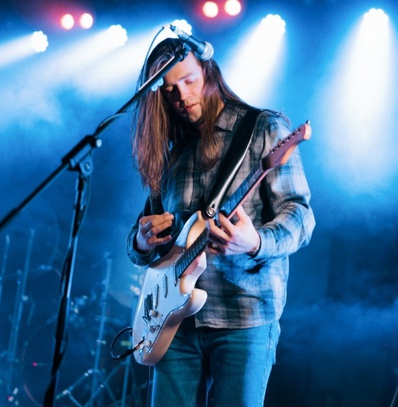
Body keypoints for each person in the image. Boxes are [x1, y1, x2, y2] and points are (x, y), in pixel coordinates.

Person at [125, 37, 315, 407]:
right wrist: (142, 241)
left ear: (208, 72)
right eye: (169, 89)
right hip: (174, 321)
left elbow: (301, 216)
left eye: (189, 80)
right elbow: (139, 237)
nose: (181, 96)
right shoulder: (174, 155)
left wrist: (255, 242)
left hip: (244, 314)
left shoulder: (262, 129)